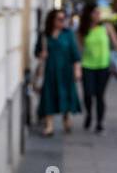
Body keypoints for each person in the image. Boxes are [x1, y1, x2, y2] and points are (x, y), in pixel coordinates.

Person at [77, 1, 117, 133]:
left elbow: (116, 43)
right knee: (88, 94)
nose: (98, 14)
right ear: (89, 14)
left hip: (103, 66)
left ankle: (99, 122)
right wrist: (76, 66)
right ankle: (89, 114)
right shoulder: (83, 30)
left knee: (100, 95)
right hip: (87, 65)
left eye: (99, 12)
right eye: (95, 12)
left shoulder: (107, 27)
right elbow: (79, 49)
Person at [35, 9, 82, 137]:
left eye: (64, 19)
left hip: (65, 72)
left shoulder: (68, 34)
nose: (63, 22)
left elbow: (75, 54)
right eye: (60, 19)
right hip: (49, 72)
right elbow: (36, 52)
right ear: (52, 20)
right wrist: (41, 54)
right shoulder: (45, 35)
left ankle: (66, 117)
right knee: (48, 97)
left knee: (65, 95)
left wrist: (77, 70)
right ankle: (49, 125)